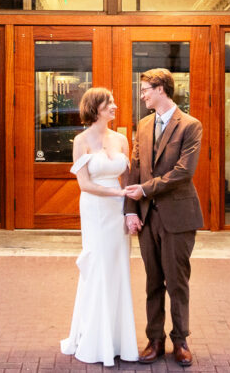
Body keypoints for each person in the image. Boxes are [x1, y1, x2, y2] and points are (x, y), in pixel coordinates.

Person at [124, 68, 203, 367]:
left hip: (178, 216)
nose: (142, 94)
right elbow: (135, 167)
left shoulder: (190, 125)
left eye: (145, 89)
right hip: (146, 218)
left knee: (177, 282)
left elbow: (184, 172)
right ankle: (154, 339)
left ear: (161, 89)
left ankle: (180, 340)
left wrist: (145, 190)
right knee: (152, 281)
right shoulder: (143, 125)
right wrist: (131, 211)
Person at [60, 87, 139, 367]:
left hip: (118, 213)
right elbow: (84, 184)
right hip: (95, 210)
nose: (115, 107)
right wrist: (119, 194)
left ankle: (118, 340)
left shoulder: (121, 140)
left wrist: (130, 211)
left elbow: (128, 178)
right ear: (96, 108)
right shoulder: (81, 141)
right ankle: (94, 338)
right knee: (98, 267)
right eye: (110, 103)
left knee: (118, 268)